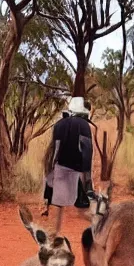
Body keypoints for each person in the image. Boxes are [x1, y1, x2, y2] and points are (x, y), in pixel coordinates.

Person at [43, 96, 94, 233]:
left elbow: (53, 152)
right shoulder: (84, 126)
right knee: (84, 209)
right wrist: (88, 185)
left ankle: (52, 240)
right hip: (77, 171)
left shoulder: (59, 125)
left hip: (59, 169)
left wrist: (50, 179)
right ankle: (107, 227)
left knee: (57, 206)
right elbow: (87, 154)